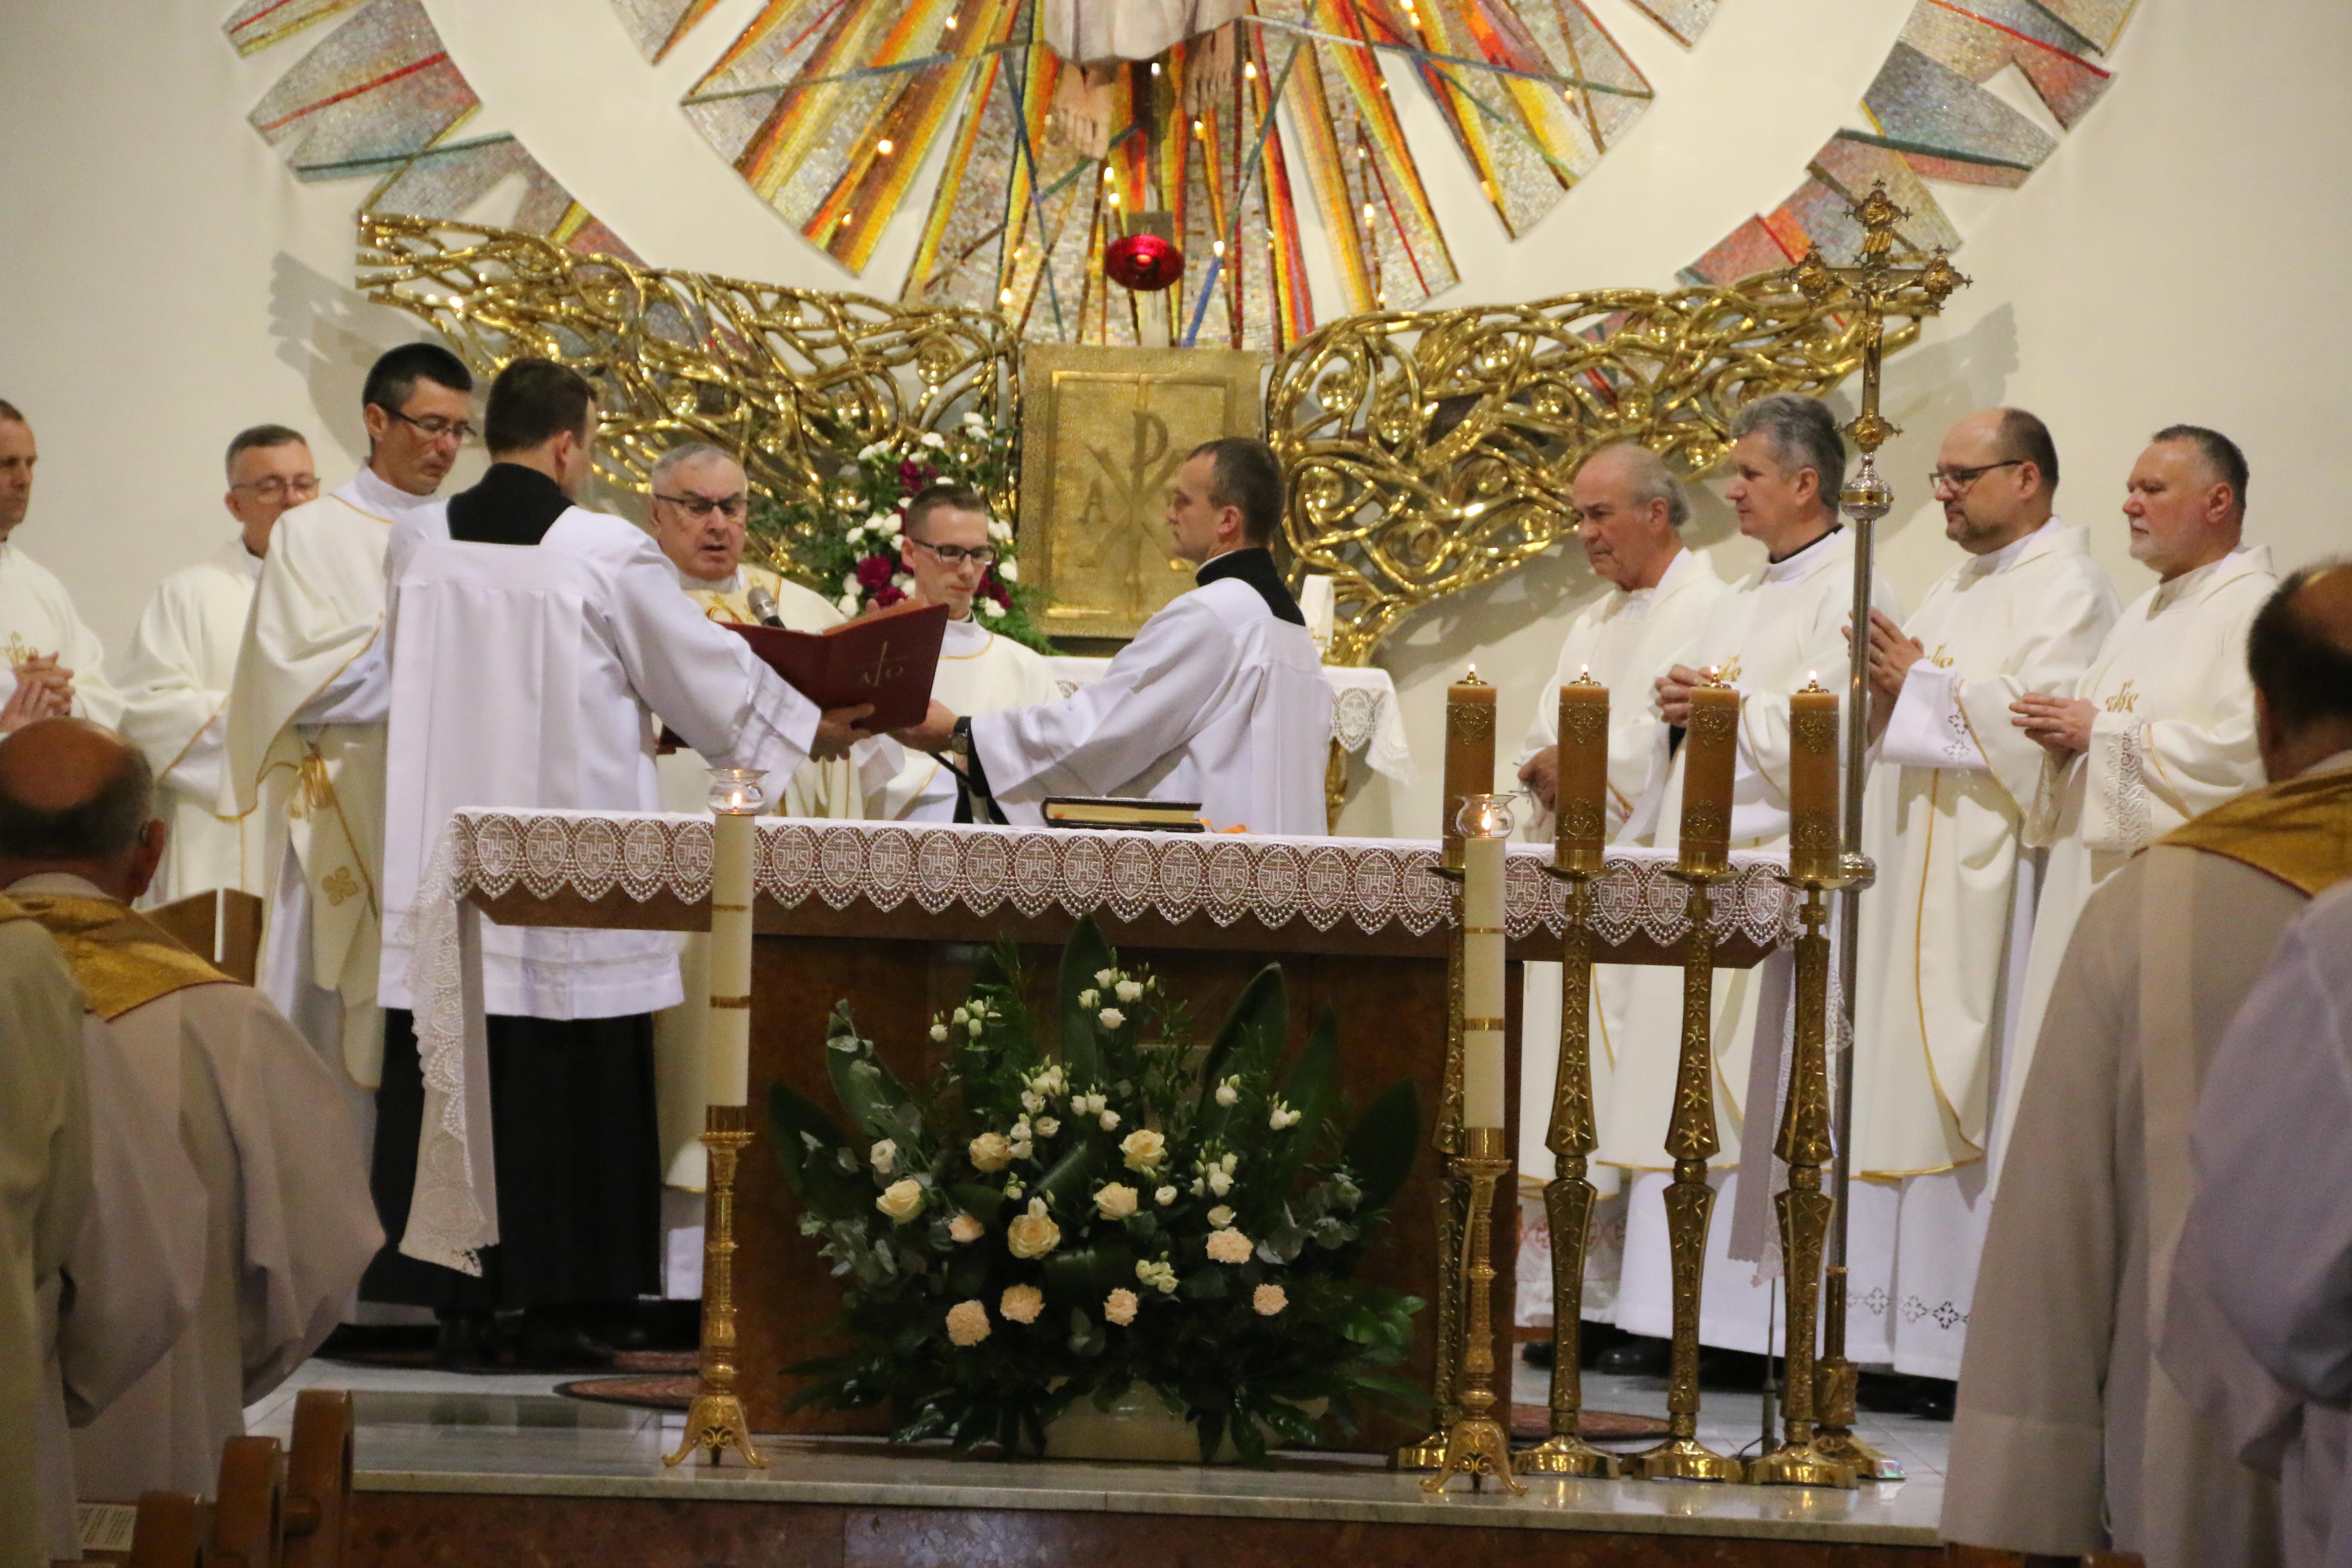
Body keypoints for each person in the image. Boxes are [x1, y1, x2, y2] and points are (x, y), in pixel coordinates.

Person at [359, 359, 872, 1369]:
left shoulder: (419, 541)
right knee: (565, 1083)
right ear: (567, 446)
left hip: (449, 863)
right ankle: (562, 1303)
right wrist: (808, 722)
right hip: (569, 871)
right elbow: (700, 676)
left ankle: (459, 1308)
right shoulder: (602, 549)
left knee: (454, 1075)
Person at [1943, 563, 2352, 1567]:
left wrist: (2017, 1503)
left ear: (2264, 721)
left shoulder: (2156, 901)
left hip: (2225, 1463)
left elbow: (2060, 1224)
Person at [0, 718, 378, 1504]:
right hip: (163, 1465)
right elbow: (320, 1258)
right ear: (151, 852)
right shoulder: (230, 1025)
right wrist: (204, 1366)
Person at [1598, 393, 1900, 1369]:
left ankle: (1742, 1328)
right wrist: (1681, 710)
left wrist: (1722, 707)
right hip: (1700, 869)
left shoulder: (1851, 587)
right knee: (1679, 1085)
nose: (1729, 491)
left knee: (1750, 1093)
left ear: (1805, 484)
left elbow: (1840, 731)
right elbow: (1701, 715)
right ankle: (1666, 1315)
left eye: (1747, 475)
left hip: (1776, 883)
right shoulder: (1737, 596)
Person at [1842, 410, 2119, 1401]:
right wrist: (1891, 691)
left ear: (2027, 478)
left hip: (1995, 886)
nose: (1942, 494)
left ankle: (1955, 1348)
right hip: (1917, 868)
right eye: (1939, 476)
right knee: (1900, 1083)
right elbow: (1920, 707)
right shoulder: (1953, 585)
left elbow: (2039, 729)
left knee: (1976, 1083)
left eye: (1962, 476)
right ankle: (1889, 1339)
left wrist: (1919, 682)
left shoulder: (2069, 586)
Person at [1994, 425, 2275, 1179]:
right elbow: (2096, 733)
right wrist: (2063, 742)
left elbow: (2245, 758)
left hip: (2176, 907)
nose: (2129, 504)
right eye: (2130, 488)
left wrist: (2103, 733)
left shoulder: (2257, 610)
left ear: (2218, 501)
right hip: (2087, 898)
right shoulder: (2142, 612)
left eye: (2152, 489)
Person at [1508, 441, 1727, 1329]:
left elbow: (1668, 735)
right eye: (1579, 516)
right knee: (1567, 1073)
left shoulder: (1708, 608)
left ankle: (1622, 1300)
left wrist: (1589, 767)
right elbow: (1544, 728)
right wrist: (1542, 763)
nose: (1585, 533)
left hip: (1649, 880)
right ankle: (1568, 1300)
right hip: (1575, 877)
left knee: (1633, 1077)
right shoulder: (1593, 621)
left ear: (1657, 513)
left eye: (1599, 514)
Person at [218, 345, 475, 1101]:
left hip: (442, 815)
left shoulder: (464, 531)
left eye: (460, 430)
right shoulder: (311, 533)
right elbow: (294, 684)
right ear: (376, 420)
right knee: (323, 1038)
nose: (447, 447)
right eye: (431, 425)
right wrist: (420, 654)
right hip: (343, 804)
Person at [894, 436, 1332, 835]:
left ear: (1227, 520)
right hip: (1280, 860)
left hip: (1217, 865)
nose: (1170, 514)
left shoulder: (1213, 617)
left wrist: (962, 733)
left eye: (1183, 501)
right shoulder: (1289, 625)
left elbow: (1100, 730)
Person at [118, 425, 316, 906]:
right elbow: (146, 715)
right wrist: (266, 719)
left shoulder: (349, 594)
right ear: (235, 504)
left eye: (304, 484)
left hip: (323, 826)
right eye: (270, 486)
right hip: (220, 834)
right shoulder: (188, 595)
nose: (291, 500)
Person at [647, 441, 862, 821]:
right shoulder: (639, 607)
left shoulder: (805, 609)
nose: (718, 525)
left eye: (732, 507)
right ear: (655, 513)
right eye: (696, 507)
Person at [868, 482, 1059, 822]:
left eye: (979, 554)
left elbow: (1057, 772)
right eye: (951, 552)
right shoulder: (875, 655)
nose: (969, 571)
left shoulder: (1023, 666)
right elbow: (850, 774)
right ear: (910, 553)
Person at [0, 398, 121, 735]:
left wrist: (64, 701)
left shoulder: (40, 584)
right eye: (7, 464)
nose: (24, 479)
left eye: (30, 464)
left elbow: (101, 694)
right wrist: (13, 687)